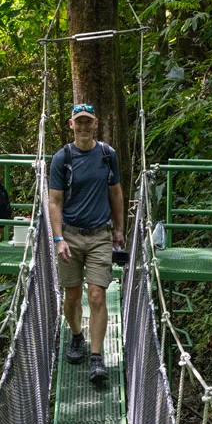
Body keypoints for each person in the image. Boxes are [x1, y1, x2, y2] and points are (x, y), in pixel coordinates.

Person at [48, 103, 125, 384]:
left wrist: (120, 229)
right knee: (71, 297)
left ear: (95, 124)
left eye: (87, 122)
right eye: (78, 122)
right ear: (71, 125)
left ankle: (96, 358)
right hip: (69, 235)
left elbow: (115, 192)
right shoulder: (62, 158)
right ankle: (77, 335)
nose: (83, 127)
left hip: (100, 235)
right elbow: (54, 202)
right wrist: (58, 238)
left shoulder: (107, 155)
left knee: (96, 295)